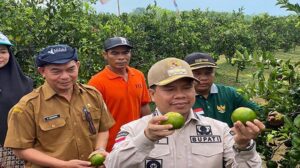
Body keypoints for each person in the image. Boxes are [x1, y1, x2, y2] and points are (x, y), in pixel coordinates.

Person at [105, 57, 265, 168]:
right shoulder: (133, 130)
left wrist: (243, 146)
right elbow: (113, 164)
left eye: (187, 87)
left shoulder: (220, 129)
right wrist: (146, 139)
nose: (180, 95)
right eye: (170, 89)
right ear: (152, 94)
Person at [4, 44, 115, 168]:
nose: (65, 77)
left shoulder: (92, 95)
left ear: (77, 66)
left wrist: (99, 149)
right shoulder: (27, 107)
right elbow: (20, 150)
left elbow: (103, 129)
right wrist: (63, 165)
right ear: (42, 71)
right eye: (56, 71)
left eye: (70, 69)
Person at [88, 37, 151, 152]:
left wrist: (149, 129)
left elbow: (144, 106)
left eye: (125, 52)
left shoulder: (138, 75)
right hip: (111, 145)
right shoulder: (97, 82)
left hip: (137, 140)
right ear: (105, 55)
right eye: (115, 53)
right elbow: (93, 120)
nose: (121, 57)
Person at [184, 52, 262, 127]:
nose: (204, 78)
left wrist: (271, 116)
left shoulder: (230, 93)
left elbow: (259, 111)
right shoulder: (181, 99)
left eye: (208, 73)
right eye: (197, 73)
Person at [0, 32, 33, 167]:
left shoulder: (25, 83)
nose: (0, 57)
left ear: (9, 54)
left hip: (14, 146)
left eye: (3, 52)